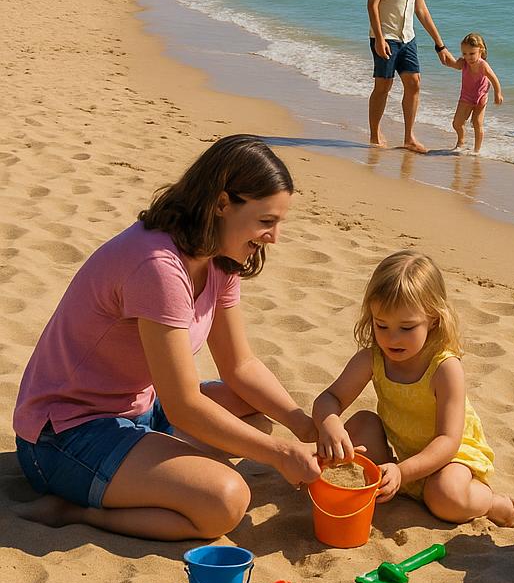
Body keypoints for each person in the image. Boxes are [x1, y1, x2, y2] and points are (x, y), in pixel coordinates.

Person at [13, 135, 322, 541]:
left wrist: (307, 428)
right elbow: (184, 406)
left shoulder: (219, 258)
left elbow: (241, 366)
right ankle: (79, 513)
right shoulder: (157, 265)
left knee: (253, 410)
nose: (274, 237)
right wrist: (283, 455)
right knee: (225, 501)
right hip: (64, 436)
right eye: (266, 221)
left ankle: (158, 474)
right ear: (222, 204)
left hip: (138, 409)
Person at [312, 250, 514, 527]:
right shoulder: (372, 359)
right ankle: (396, 482)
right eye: (382, 325)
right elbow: (330, 398)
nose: (392, 338)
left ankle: (494, 503)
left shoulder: (445, 369)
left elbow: (448, 441)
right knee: (359, 425)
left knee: (444, 497)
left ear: (433, 319)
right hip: (405, 455)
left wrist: (401, 471)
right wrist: (330, 424)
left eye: (407, 327)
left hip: (452, 458)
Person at [367, 0, 450, 153]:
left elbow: (421, 9)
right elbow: (372, 6)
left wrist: (439, 44)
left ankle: (409, 137)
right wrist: (379, 39)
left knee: (414, 83)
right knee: (383, 86)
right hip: (386, 37)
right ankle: (374, 134)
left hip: (408, 37)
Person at [441, 32, 504, 152]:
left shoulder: (483, 65)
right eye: (464, 53)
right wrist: (444, 54)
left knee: (477, 123)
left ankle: (477, 151)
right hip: (466, 97)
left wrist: (498, 93)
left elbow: (494, 79)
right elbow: (453, 64)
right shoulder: (463, 62)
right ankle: (461, 141)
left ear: (481, 50)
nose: (468, 57)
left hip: (481, 97)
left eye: (472, 53)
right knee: (457, 123)